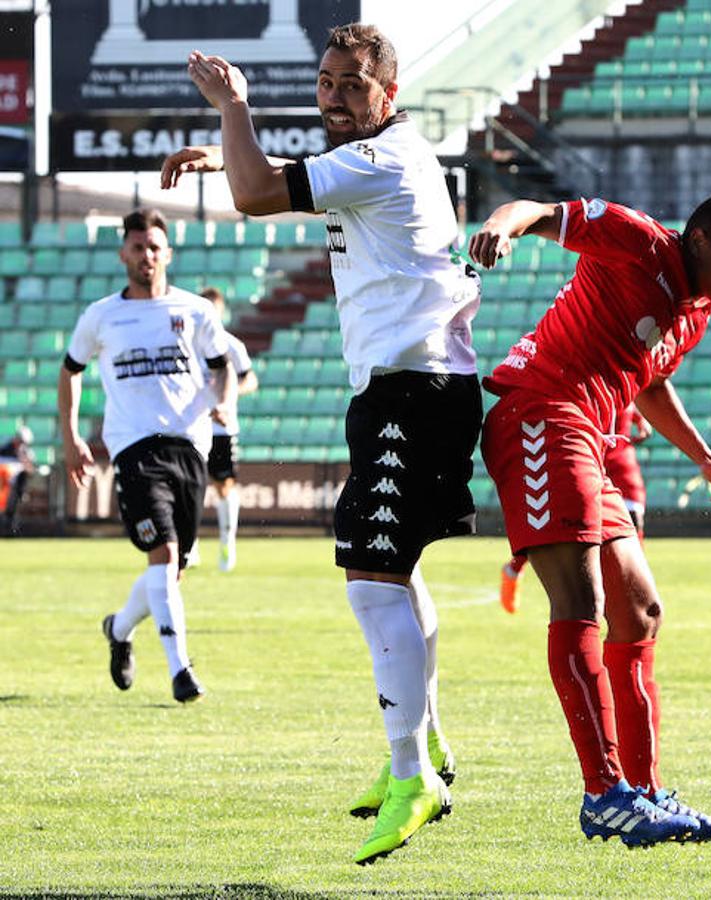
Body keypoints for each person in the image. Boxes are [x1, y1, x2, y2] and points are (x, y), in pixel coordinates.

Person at [162, 24, 478, 865]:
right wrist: (229, 148)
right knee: (396, 577)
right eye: (326, 81)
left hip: (417, 389)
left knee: (372, 584)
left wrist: (234, 109)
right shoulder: (378, 158)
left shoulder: (384, 161)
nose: (334, 96)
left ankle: (413, 778)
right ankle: (425, 751)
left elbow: (258, 195)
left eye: (353, 84)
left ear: (390, 94)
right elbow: (262, 180)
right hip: (406, 388)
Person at [470, 191, 711, 847]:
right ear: (698, 240)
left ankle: (644, 792)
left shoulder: (693, 315)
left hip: (591, 439)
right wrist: (500, 227)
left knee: (640, 611)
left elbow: (649, 385)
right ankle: (605, 794)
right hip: (541, 413)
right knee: (580, 600)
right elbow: (539, 209)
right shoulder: (639, 241)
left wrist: (704, 458)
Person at [59, 208, 236, 704]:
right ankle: (181, 670)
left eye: (154, 247)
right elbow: (70, 368)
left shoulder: (197, 310)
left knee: (171, 568)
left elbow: (224, 367)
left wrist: (225, 401)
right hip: (134, 448)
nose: (147, 255)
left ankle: (118, 628)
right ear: (124, 254)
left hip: (189, 447)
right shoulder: (101, 315)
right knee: (162, 555)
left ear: (167, 253)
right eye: (138, 247)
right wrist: (72, 436)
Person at [499, 403, 652, 614]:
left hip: (622, 462)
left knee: (634, 521)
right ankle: (514, 567)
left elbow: (633, 396)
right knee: (564, 529)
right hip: (588, 457)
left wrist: (639, 419)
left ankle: (630, 591)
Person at [199, 286, 259, 572]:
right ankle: (189, 546)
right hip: (192, 427)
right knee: (189, 486)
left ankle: (227, 541)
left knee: (223, 485)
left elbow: (250, 380)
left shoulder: (231, 345)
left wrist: (227, 396)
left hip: (222, 427)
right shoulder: (188, 342)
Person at [0, 425, 35, 536]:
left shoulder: (26, 453)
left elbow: (30, 470)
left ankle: (10, 532)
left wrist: (23, 459)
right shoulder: (4, 450)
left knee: (12, 510)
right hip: (3, 487)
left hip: (15, 489)